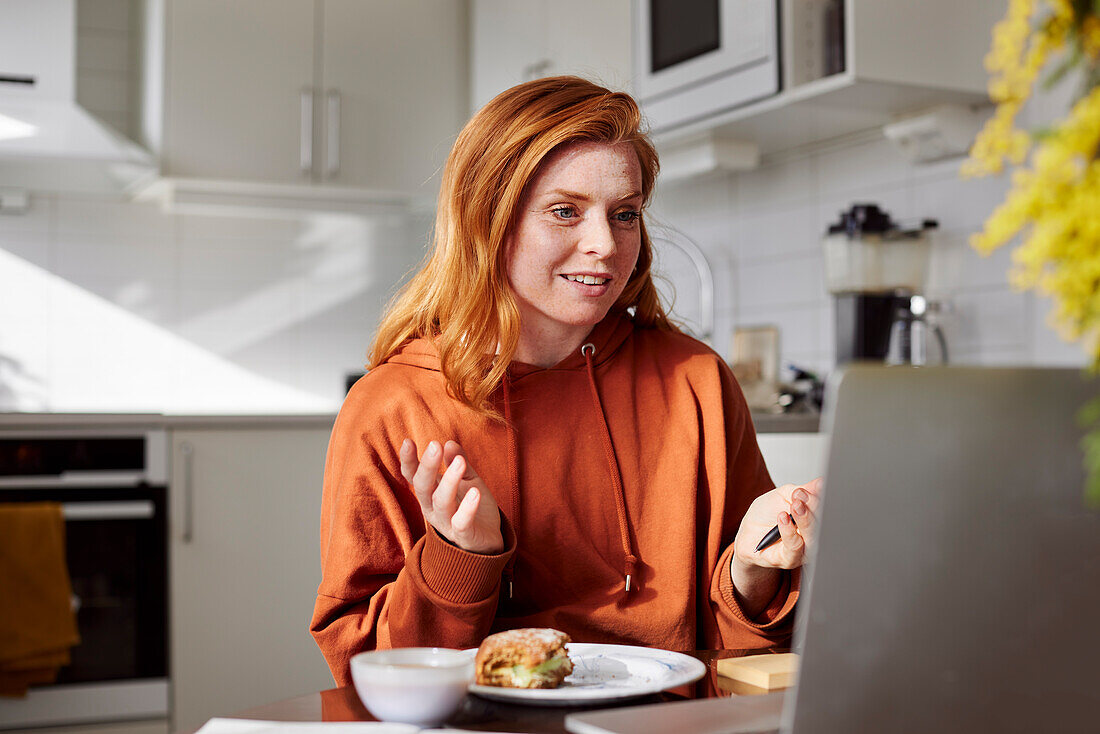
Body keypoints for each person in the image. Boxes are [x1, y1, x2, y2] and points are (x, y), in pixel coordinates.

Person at [309, 76, 822, 686]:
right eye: (564, 211)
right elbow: (362, 669)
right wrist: (461, 556)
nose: (604, 244)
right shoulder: (393, 407)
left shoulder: (696, 381)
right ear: (488, 222)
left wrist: (756, 566)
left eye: (624, 213)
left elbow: (744, 652)